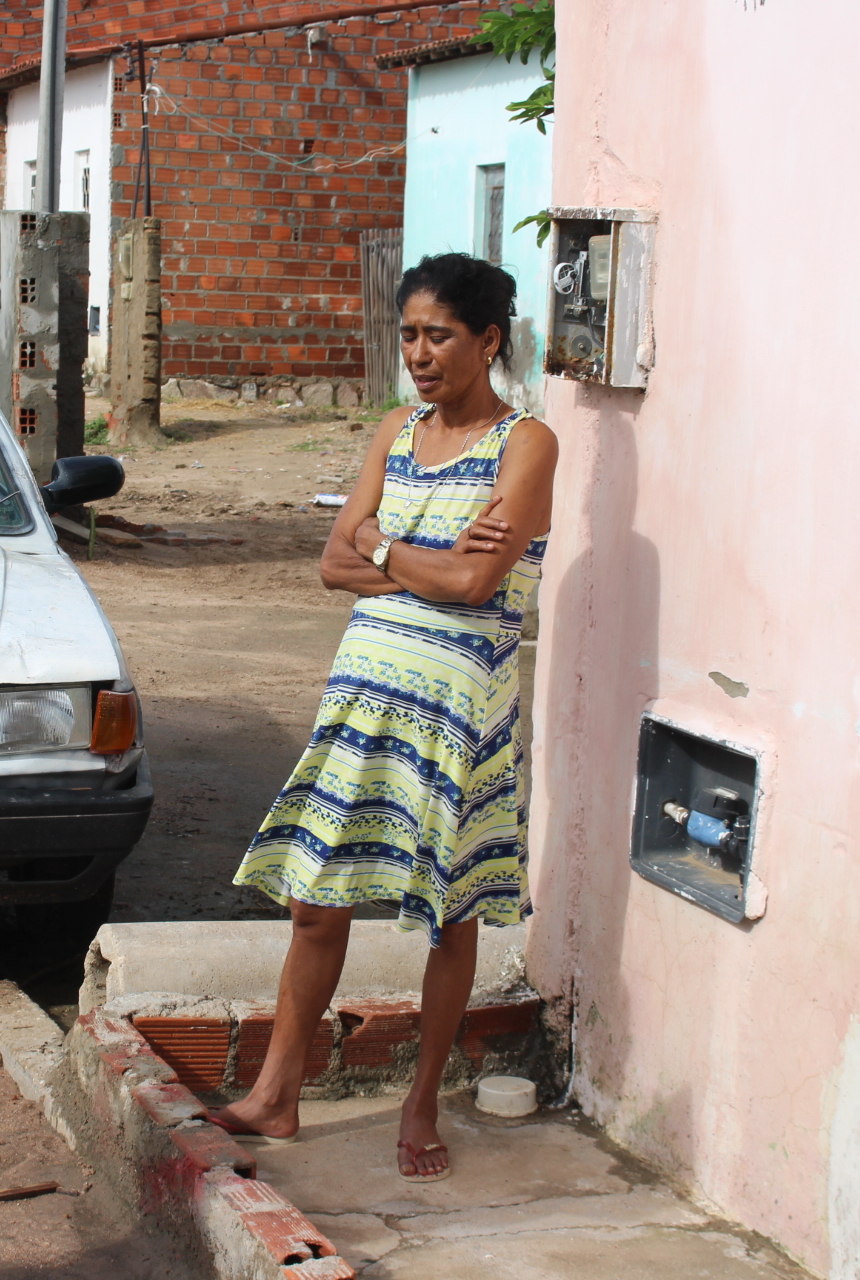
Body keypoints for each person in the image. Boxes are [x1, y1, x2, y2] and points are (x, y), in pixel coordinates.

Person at [212, 253, 556, 1183]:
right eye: (407, 334)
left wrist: (384, 540)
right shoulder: (394, 431)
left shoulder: (527, 445)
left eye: (438, 334)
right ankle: (275, 1097)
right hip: (362, 696)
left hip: (458, 711)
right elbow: (334, 561)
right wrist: (419, 553)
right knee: (316, 900)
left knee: (448, 911)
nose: (419, 353)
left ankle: (420, 1103)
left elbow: (478, 582)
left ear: (489, 340)